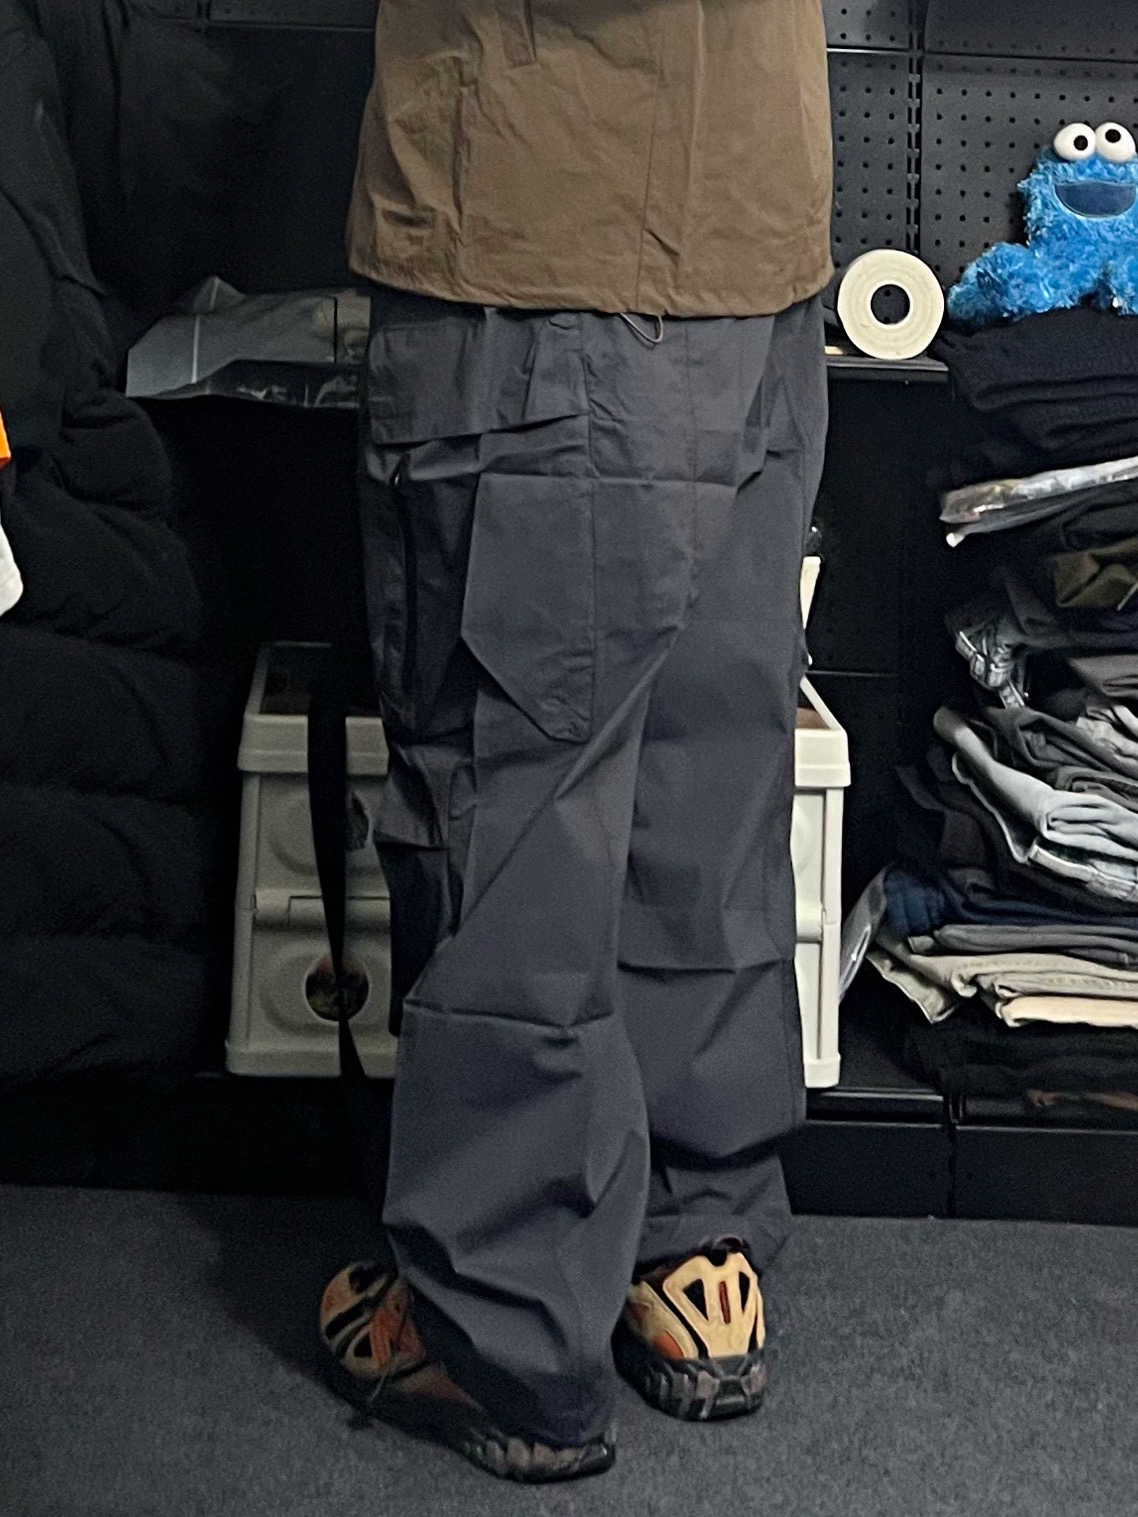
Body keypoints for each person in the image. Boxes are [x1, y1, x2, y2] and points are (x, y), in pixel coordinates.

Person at [318, 0, 834, 1483]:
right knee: (698, 776)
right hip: (749, 231)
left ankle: (499, 1321)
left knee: (520, 806)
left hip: (545, 230)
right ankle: (687, 1248)